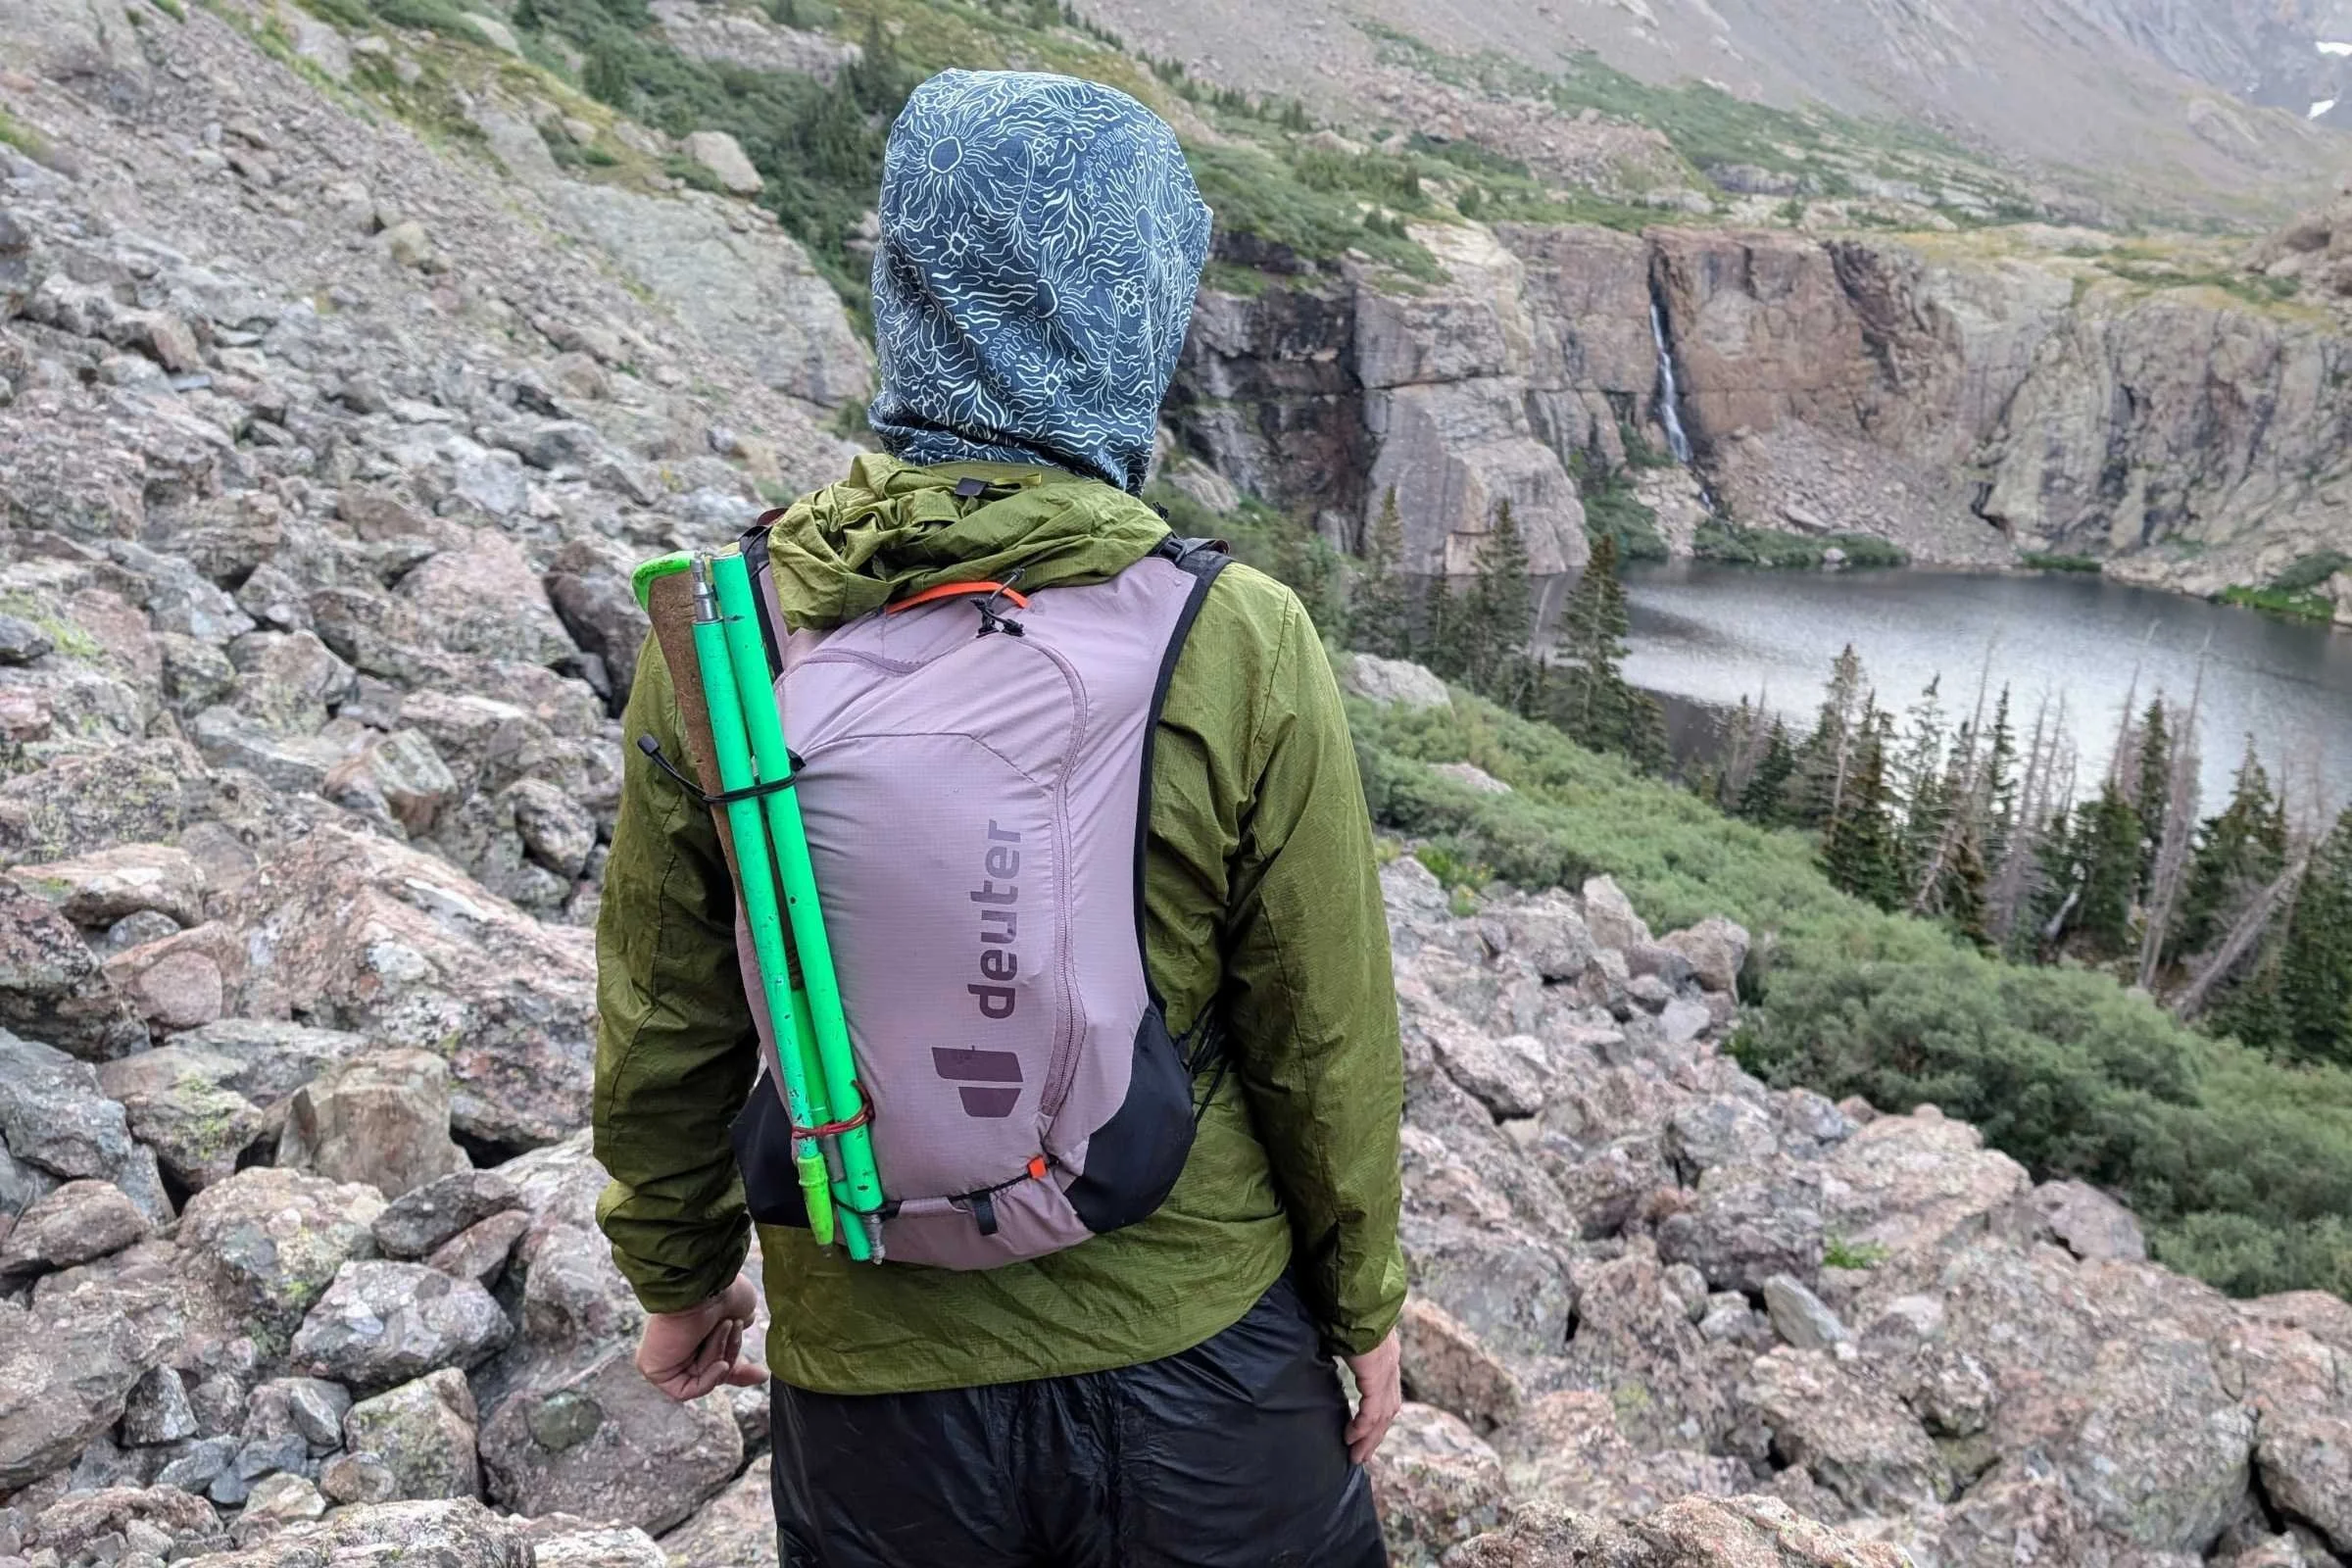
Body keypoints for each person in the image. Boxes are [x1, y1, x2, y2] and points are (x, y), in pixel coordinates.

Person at [592, 67, 1406, 1568]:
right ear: (1143, 300)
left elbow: (672, 1006)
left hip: (873, 1372)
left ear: (903, 276)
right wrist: (1364, 1310)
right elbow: (1323, 1032)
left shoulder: (728, 638)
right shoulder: (1235, 635)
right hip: (1201, 1347)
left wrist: (679, 1272)